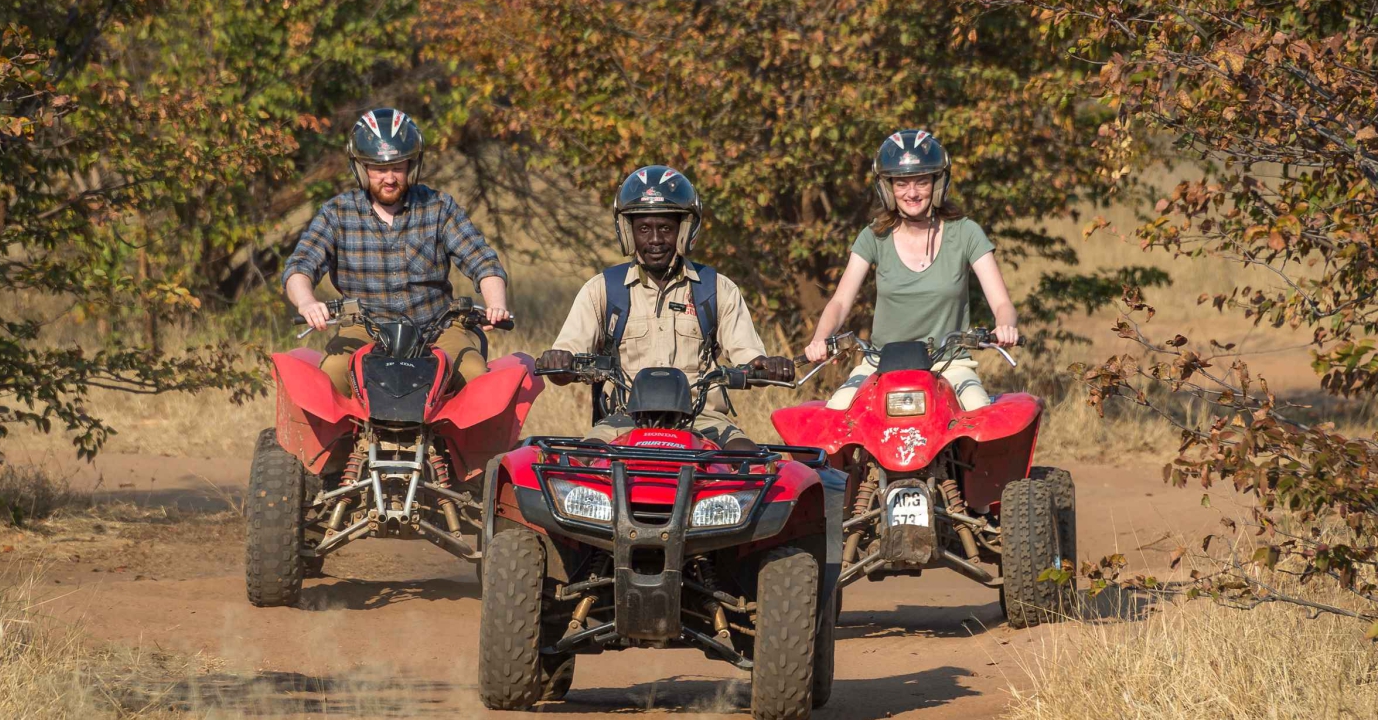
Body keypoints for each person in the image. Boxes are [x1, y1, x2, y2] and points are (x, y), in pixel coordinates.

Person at [538, 166, 795, 451]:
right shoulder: (602, 289)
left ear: (685, 231)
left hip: (703, 419)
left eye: (666, 229)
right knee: (585, 462)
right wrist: (558, 361)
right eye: (644, 229)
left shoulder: (716, 288)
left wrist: (764, 366)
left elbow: (749, 356)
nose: (656, 240)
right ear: (627, 232)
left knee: (747, 461)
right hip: (624, 419)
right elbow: (567, 359)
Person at [282, 107, 511, 396]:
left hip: (436, 329)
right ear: (362, 168)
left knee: (475, 377)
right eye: (379, 168)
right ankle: (338, 443)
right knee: (331, 378)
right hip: (364, 329)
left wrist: (495, 305)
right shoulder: (337, 213)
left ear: (411, 167)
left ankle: (472, 443)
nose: (389, 178)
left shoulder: (438, 206)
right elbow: (300, 267)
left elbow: (482, 261)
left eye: (397, 167)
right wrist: (307, 303)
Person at [803, 129, 1018, 411]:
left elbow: (1003, 303)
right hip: (880, 363)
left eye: (921, 181)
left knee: (978, 416)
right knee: (836, 414)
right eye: (901, 183)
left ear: (938, 182)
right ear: (887, 188)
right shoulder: (873, 237)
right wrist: (820, 339)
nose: (912, 193)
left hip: (949, 364)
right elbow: (840, 302)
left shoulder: (966, 233)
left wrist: (1005, 326)